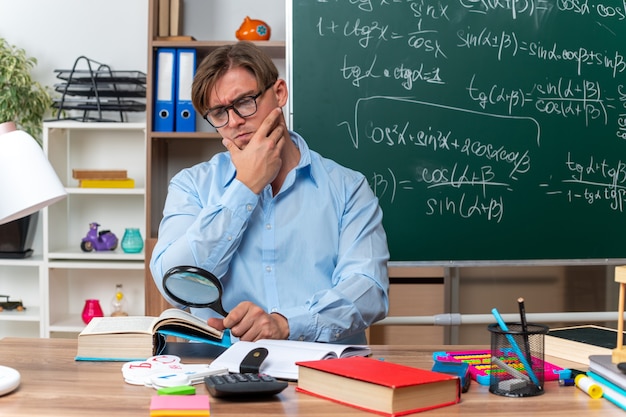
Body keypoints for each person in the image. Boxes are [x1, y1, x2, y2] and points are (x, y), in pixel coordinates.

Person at [150, 41, 389, 345]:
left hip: (324, 372)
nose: (234, 121)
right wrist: (245, 188)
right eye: (219, 113)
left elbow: (369, 289)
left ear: (279, 93)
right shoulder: (192, 185)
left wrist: (286, 324)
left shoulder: (348, 187)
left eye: (245, 101)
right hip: (225, 370)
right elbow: (173, 283)